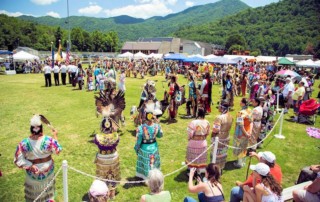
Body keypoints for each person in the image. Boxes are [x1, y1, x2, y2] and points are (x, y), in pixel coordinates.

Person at [14, 115, 62, 202]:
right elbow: (57, 150)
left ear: (31, 129)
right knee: (48, 195)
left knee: (34, 198)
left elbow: (18, 160)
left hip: (32, 175)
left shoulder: (23, 143)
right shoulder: (49, 140)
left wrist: (30, 165)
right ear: (41, 129)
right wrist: (55, 135)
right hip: (48, 173)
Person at [134, 102, 163, 179]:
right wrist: (159, 126)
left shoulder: (141, 128)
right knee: (153, 163)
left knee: (147, 163)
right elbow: (160, 135)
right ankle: (154, 176)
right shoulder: (156, 126)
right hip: (154, 148)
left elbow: (138, 140)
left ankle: (146, 176)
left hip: (144, 149)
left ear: (145, 117)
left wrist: (136, 149)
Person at [94, 117, 121, 199]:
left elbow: (96, 143)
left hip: (102, 158)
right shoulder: (116, 135)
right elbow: (117, 142)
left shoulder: (98, 137)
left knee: (103, 175)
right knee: (112, 174)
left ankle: (104, 193)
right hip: (113, 157)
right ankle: (112, 194)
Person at [185, 108, 210, 173]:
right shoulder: (207, 122)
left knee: (193, 156)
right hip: (203, 142)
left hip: (193, 142)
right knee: (201, 156)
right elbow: (207, 133)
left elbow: (190, 133)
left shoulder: (193, 122)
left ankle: (191, 170)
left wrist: (189, 138)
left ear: (197, 113)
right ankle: (200, 170)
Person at [211, 101, 233, 171]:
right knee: (223, 153)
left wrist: (212, 136)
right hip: (226, 137)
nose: (218, 108)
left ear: (222, 108)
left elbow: (215, 130)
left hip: (219, 138)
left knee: (216, 154)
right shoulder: (230, 116)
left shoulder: (219, 118)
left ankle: (215, 169)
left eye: (219, 107)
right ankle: (221, 167)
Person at [233, 98, 252, 168]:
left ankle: (239, 163)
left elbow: (240, 124)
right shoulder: (250, 111)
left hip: (241, 133)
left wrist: (245, 133)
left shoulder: (240, 113)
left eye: (241, 101)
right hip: (247, 131)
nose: (240, 102)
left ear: (243, 103)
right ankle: (242, 161)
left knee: (239, 146)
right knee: (244, 146)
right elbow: (251, 121)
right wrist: (248, 132)